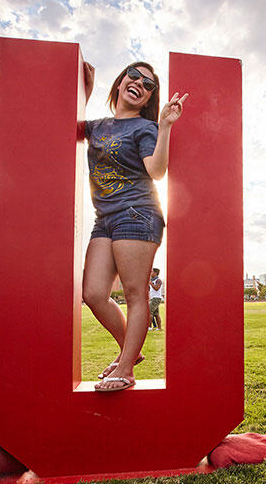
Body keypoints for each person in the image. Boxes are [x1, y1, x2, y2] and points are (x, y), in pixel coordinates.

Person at [80, 60, 187, 392]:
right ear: (121, 81)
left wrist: (165, 126)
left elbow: (156, 171)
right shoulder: (96, 126)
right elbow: (63, 123)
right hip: (105, 217)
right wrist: (84, 92)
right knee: (94, 293)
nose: (139, 84)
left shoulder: (145, 128)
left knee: (134, 293)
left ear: (149, 97)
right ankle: (131, 350)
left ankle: (125, 368)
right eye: (134, 77)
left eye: (148, 85)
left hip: (137, 213)